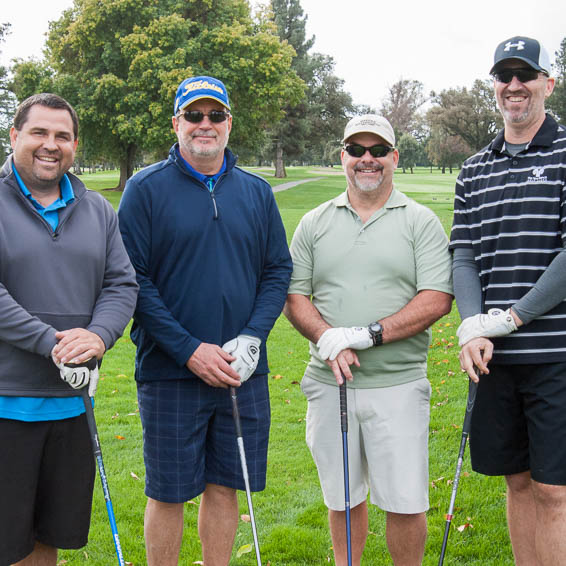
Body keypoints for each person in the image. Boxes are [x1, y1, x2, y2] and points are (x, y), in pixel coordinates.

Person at [118, 75, 292, 565]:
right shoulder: (145, 189)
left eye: (215, 115)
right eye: (193, 115)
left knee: (225, 487)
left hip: (241, 368)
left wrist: (254, 336)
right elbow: (134, 280)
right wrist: (189, 349)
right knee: (168, 493)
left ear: (229, 123)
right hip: (171, 370)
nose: (204, 125)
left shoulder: (256, 192)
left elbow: (277, 269)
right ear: (176, 123)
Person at [284, 114, 453, 566]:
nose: (367, 160)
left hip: (397, 384)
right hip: (328, 384)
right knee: (341, 498)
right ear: (343, 157)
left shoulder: (420, 222)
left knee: (404, 501)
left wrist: (365, 335)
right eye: (357, 150)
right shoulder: (314, 223)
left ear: (394, 158)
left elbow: (436, 298)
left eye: (378, 151)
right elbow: (295, 296)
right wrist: (328, 339)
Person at [0, 93, 138, 565]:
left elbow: (122, 284)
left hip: (70, 405)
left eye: (62, 136)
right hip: (6, 404)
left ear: (75, 145)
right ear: (15, 135)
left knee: (48, 539)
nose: (50, 145)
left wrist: (98, 336)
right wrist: (52, 344)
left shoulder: (97, 209)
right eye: (39, 132)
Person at [451, 36, 566, 565]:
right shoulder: (474, 169)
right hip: (495, 358)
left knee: (555, 492)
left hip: (554, 356)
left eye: (526, 75)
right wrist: (474, 326)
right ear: (494, 86)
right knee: (517, 484)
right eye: (504, 76)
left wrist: (513, 318)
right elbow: (464, 255)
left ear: (548, 82)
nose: (514, 86)